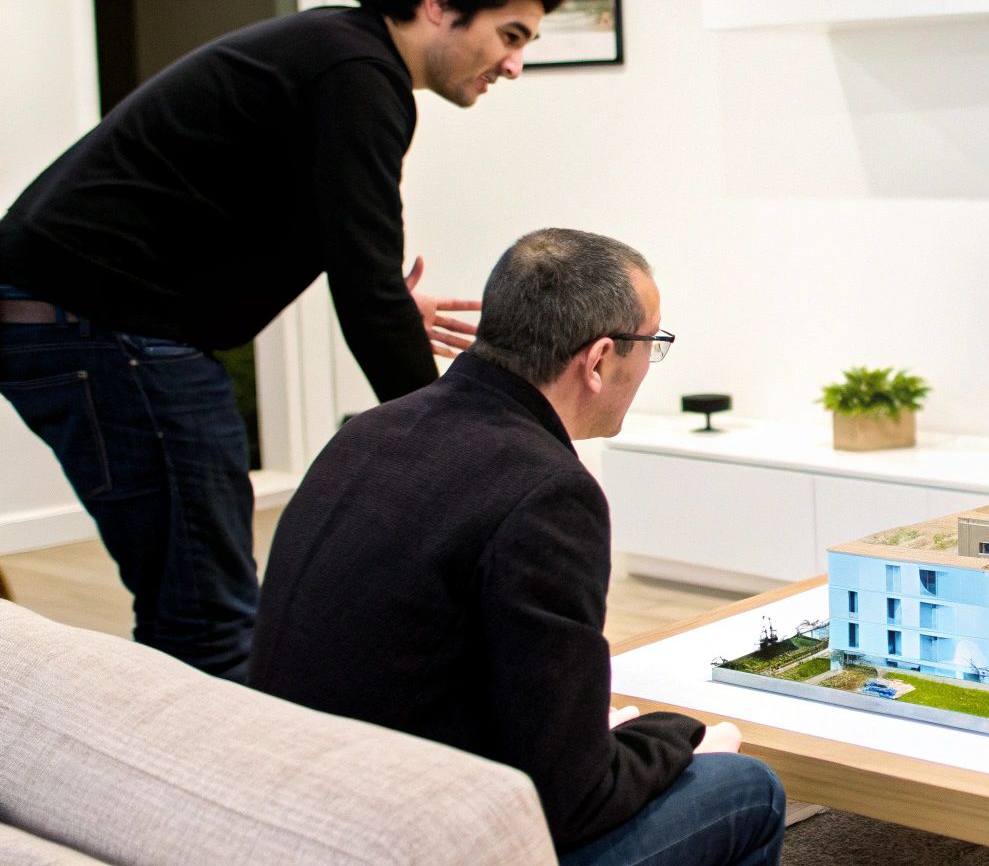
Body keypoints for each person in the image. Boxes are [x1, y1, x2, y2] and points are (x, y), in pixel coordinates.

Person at [0, 0, 568, 682]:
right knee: (210, 620)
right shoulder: (357, 75)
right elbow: (361, 284)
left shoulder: (337, 52)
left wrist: (391, 307)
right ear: (440, 3)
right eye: (510, 34)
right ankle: (219, 794)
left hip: (80, 320)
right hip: (102, 329)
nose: (514, 63)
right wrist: (461, 451)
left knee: (208, 605)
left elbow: (331, 244)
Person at [250, 229, 786, 866]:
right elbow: (571, 800)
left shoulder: (370, 430)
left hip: (292, 807)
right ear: (599, 359)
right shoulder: (547, 491)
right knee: (746, 789)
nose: (650, 364)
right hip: (412, 837)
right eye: (653, 343)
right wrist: (675, 737)